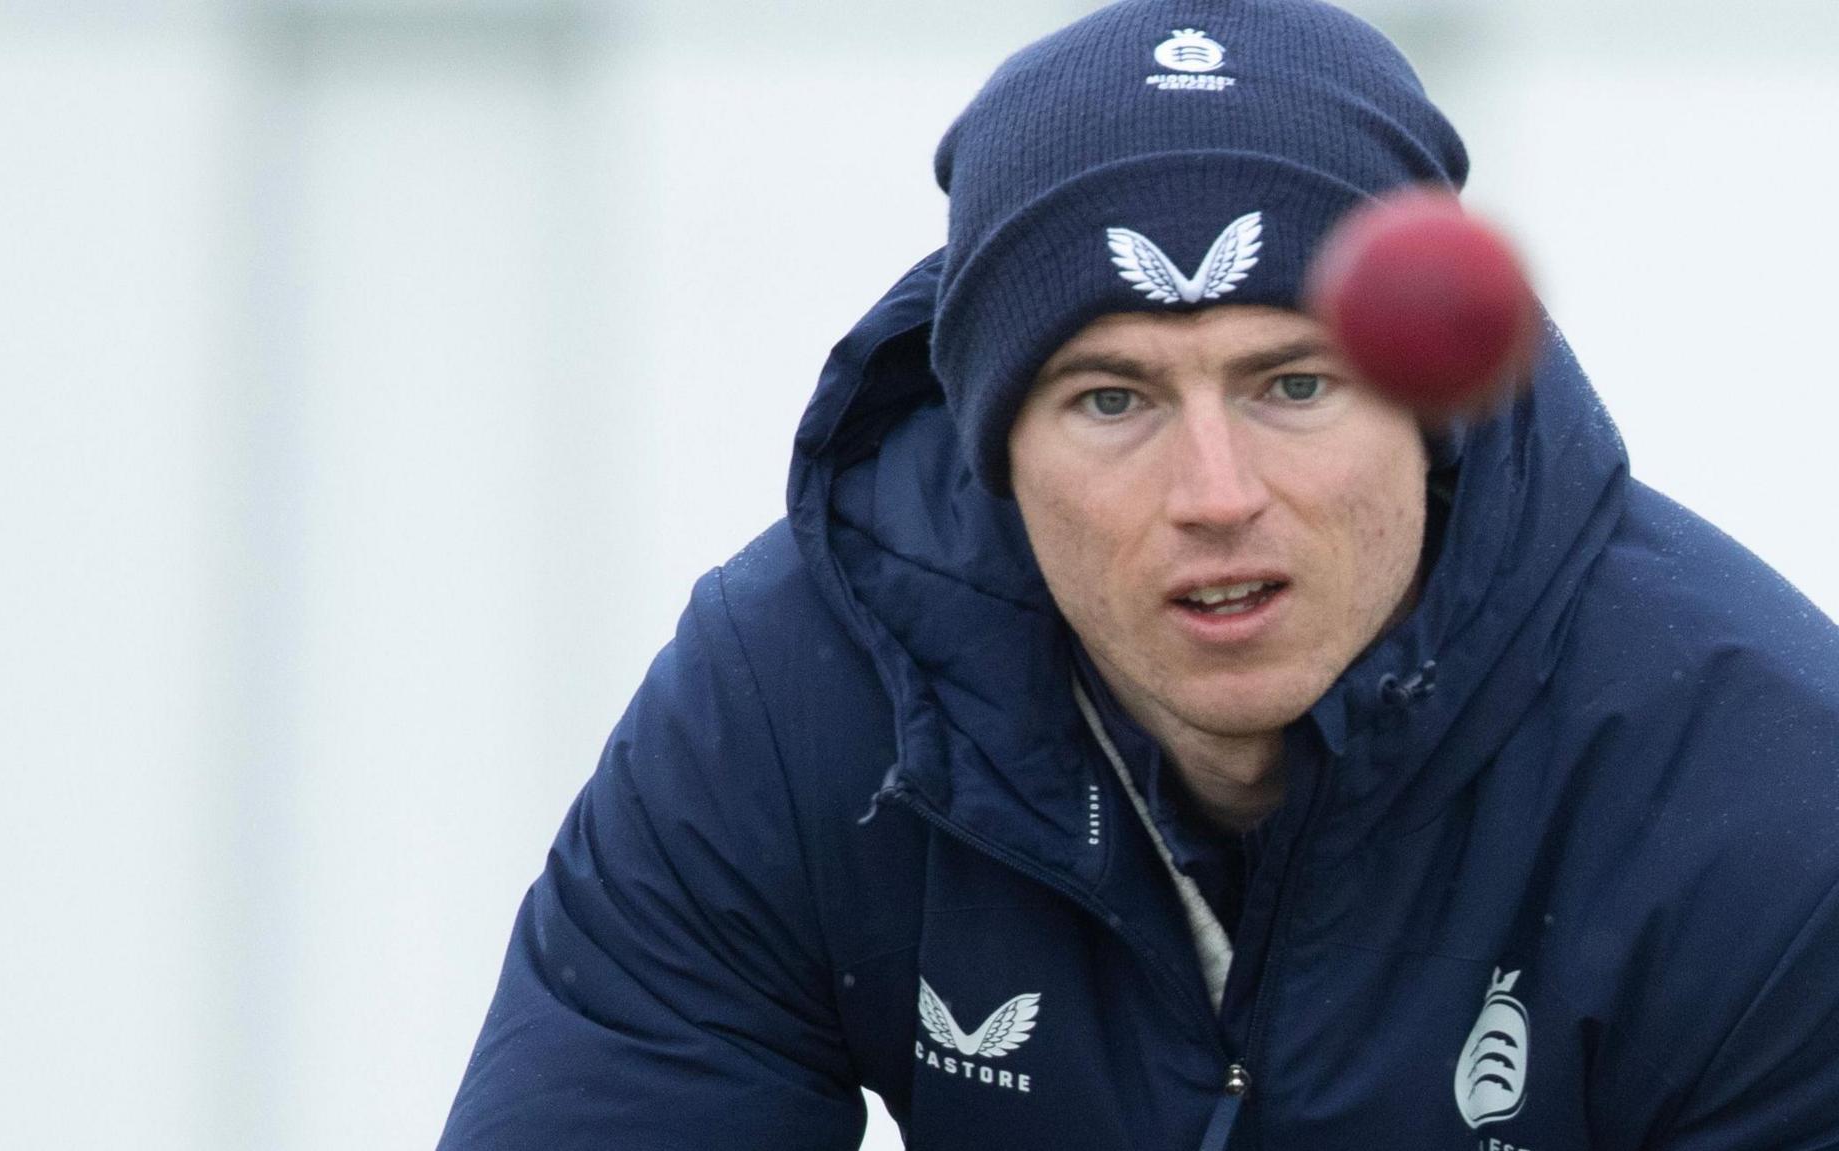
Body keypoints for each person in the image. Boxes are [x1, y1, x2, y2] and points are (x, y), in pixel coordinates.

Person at [439, 1, 1839, 1147]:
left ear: (1430, 408)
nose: (1216, 495)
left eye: (1294, 384)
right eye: (1112, 400)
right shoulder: (793, 705)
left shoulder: (1753, 782)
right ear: (994, 449)